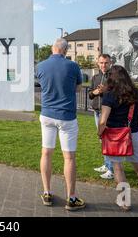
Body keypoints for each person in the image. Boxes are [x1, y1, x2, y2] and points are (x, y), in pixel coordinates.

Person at [98, 65, 138, 211]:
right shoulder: (137, 93)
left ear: (110, 78)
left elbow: (102, 121)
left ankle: (125, 202)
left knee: (118, 168)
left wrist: (100, 134)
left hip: (114, 136)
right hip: (133, 134)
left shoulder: (110, 94)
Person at [36, 38, 86, 211]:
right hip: (66, 117)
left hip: (47, 115)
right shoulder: (73, 66)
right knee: (69, 157)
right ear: (65, 51)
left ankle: (47, 192)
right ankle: (71, 198)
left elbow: (43, 85)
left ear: (52, 48)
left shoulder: (41, 66)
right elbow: (78, 88)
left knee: (46, 153)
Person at [89, 54, 114, 180]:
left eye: (106, 63)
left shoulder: (114, 77)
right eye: (101, 63)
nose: (103, 65)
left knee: (108, 140)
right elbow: (90, 94)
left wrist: (106, 91)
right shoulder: (95, 77)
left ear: (110, 63)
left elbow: (118, 94)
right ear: (98, 63)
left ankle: (111, 169)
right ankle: (106, 164)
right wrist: (95, 92)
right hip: (96, 112)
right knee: (102, 140)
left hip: (108, 113)